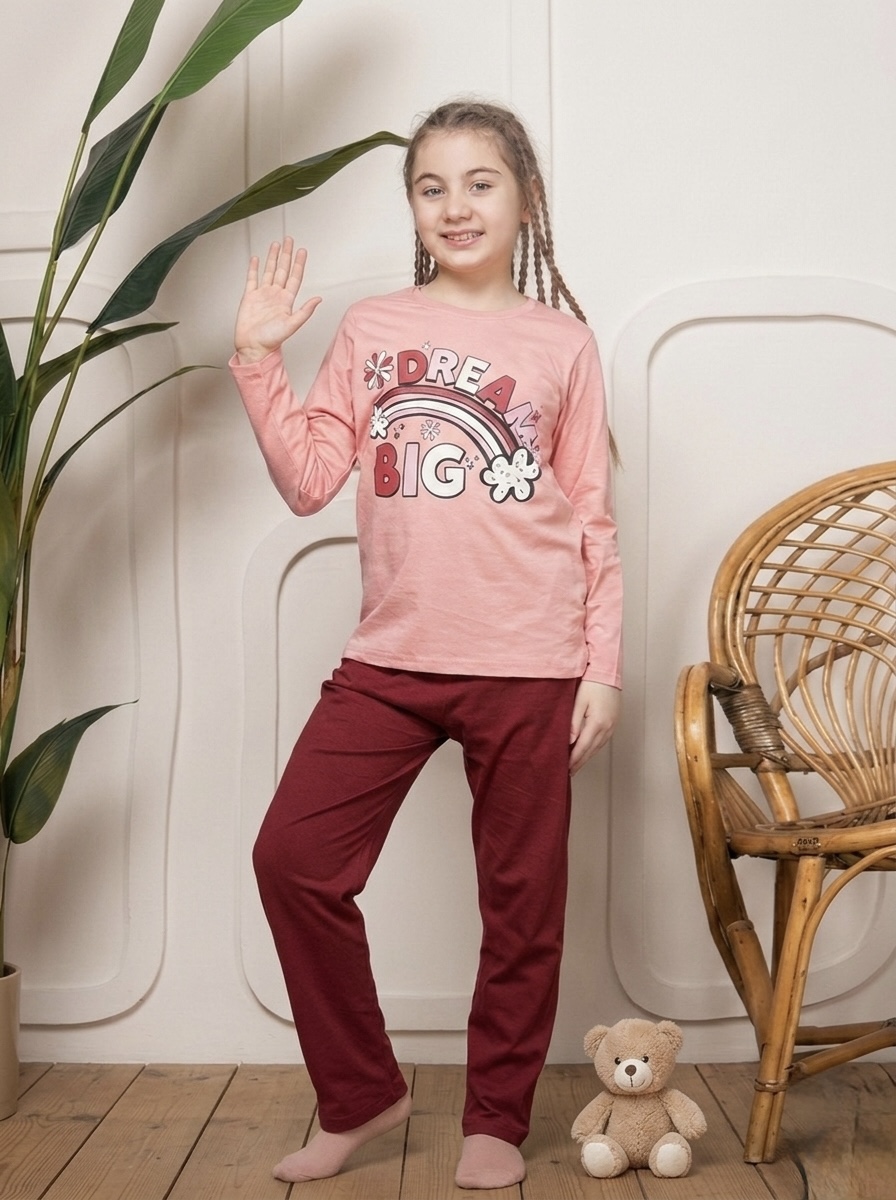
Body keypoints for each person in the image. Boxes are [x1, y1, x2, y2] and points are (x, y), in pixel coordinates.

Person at [229, 99, 623, 1190]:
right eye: (430, 186)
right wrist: (257, 358)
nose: (455, 205)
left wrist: (601, 666)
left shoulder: (563, 344)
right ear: (412, 207)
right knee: (293, 861)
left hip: (531, 662)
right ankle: (362, 1092)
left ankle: (496, 1117)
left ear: (524, 198)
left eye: (479, 183)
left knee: (521, 906)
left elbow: (591, 517)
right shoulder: (372, 328)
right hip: (392, 658)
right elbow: (311, 480)